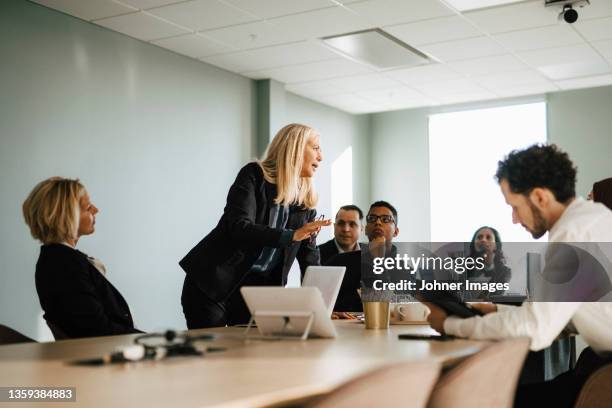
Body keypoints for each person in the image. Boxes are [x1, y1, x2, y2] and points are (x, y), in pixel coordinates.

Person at [423, 144, 612, 407]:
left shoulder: (572, 237)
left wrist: (450, 324)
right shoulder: (596, 219)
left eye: (514, 206)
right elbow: (564, 318)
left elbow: (535, 330)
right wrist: (497, 310)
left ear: (539, 197)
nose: (513, 219)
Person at [180, 123, 331, 329]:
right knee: (214, 355)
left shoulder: (305, 203)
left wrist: (322, 307)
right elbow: (239, 227)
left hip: (256, 291)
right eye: (316, 148)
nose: (320, 157)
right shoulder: (253, 174)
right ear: (295, 147)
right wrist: (290, 235)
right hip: (212, 284)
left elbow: (309, 258)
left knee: (251, 355)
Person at [22, 177, 140, 338]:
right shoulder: (64, 265)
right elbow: (98, 329)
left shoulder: (59, 260)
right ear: (66, 215)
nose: (96, 210)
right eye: (88, 207)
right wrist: (149, 339)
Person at [327, 201, 399, 313]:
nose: (378, 222)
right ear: (365, 229)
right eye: (372, 218)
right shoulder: (339, 261)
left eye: (385, 219)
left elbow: (389, 308)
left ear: (396, 231)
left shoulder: (406, 270)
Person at [465, 226, 511, 298]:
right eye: (479, 237)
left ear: (496, 245)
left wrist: (489, 268)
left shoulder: (505, 272)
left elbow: (495, 297)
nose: (483, 240)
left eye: (488, 237)